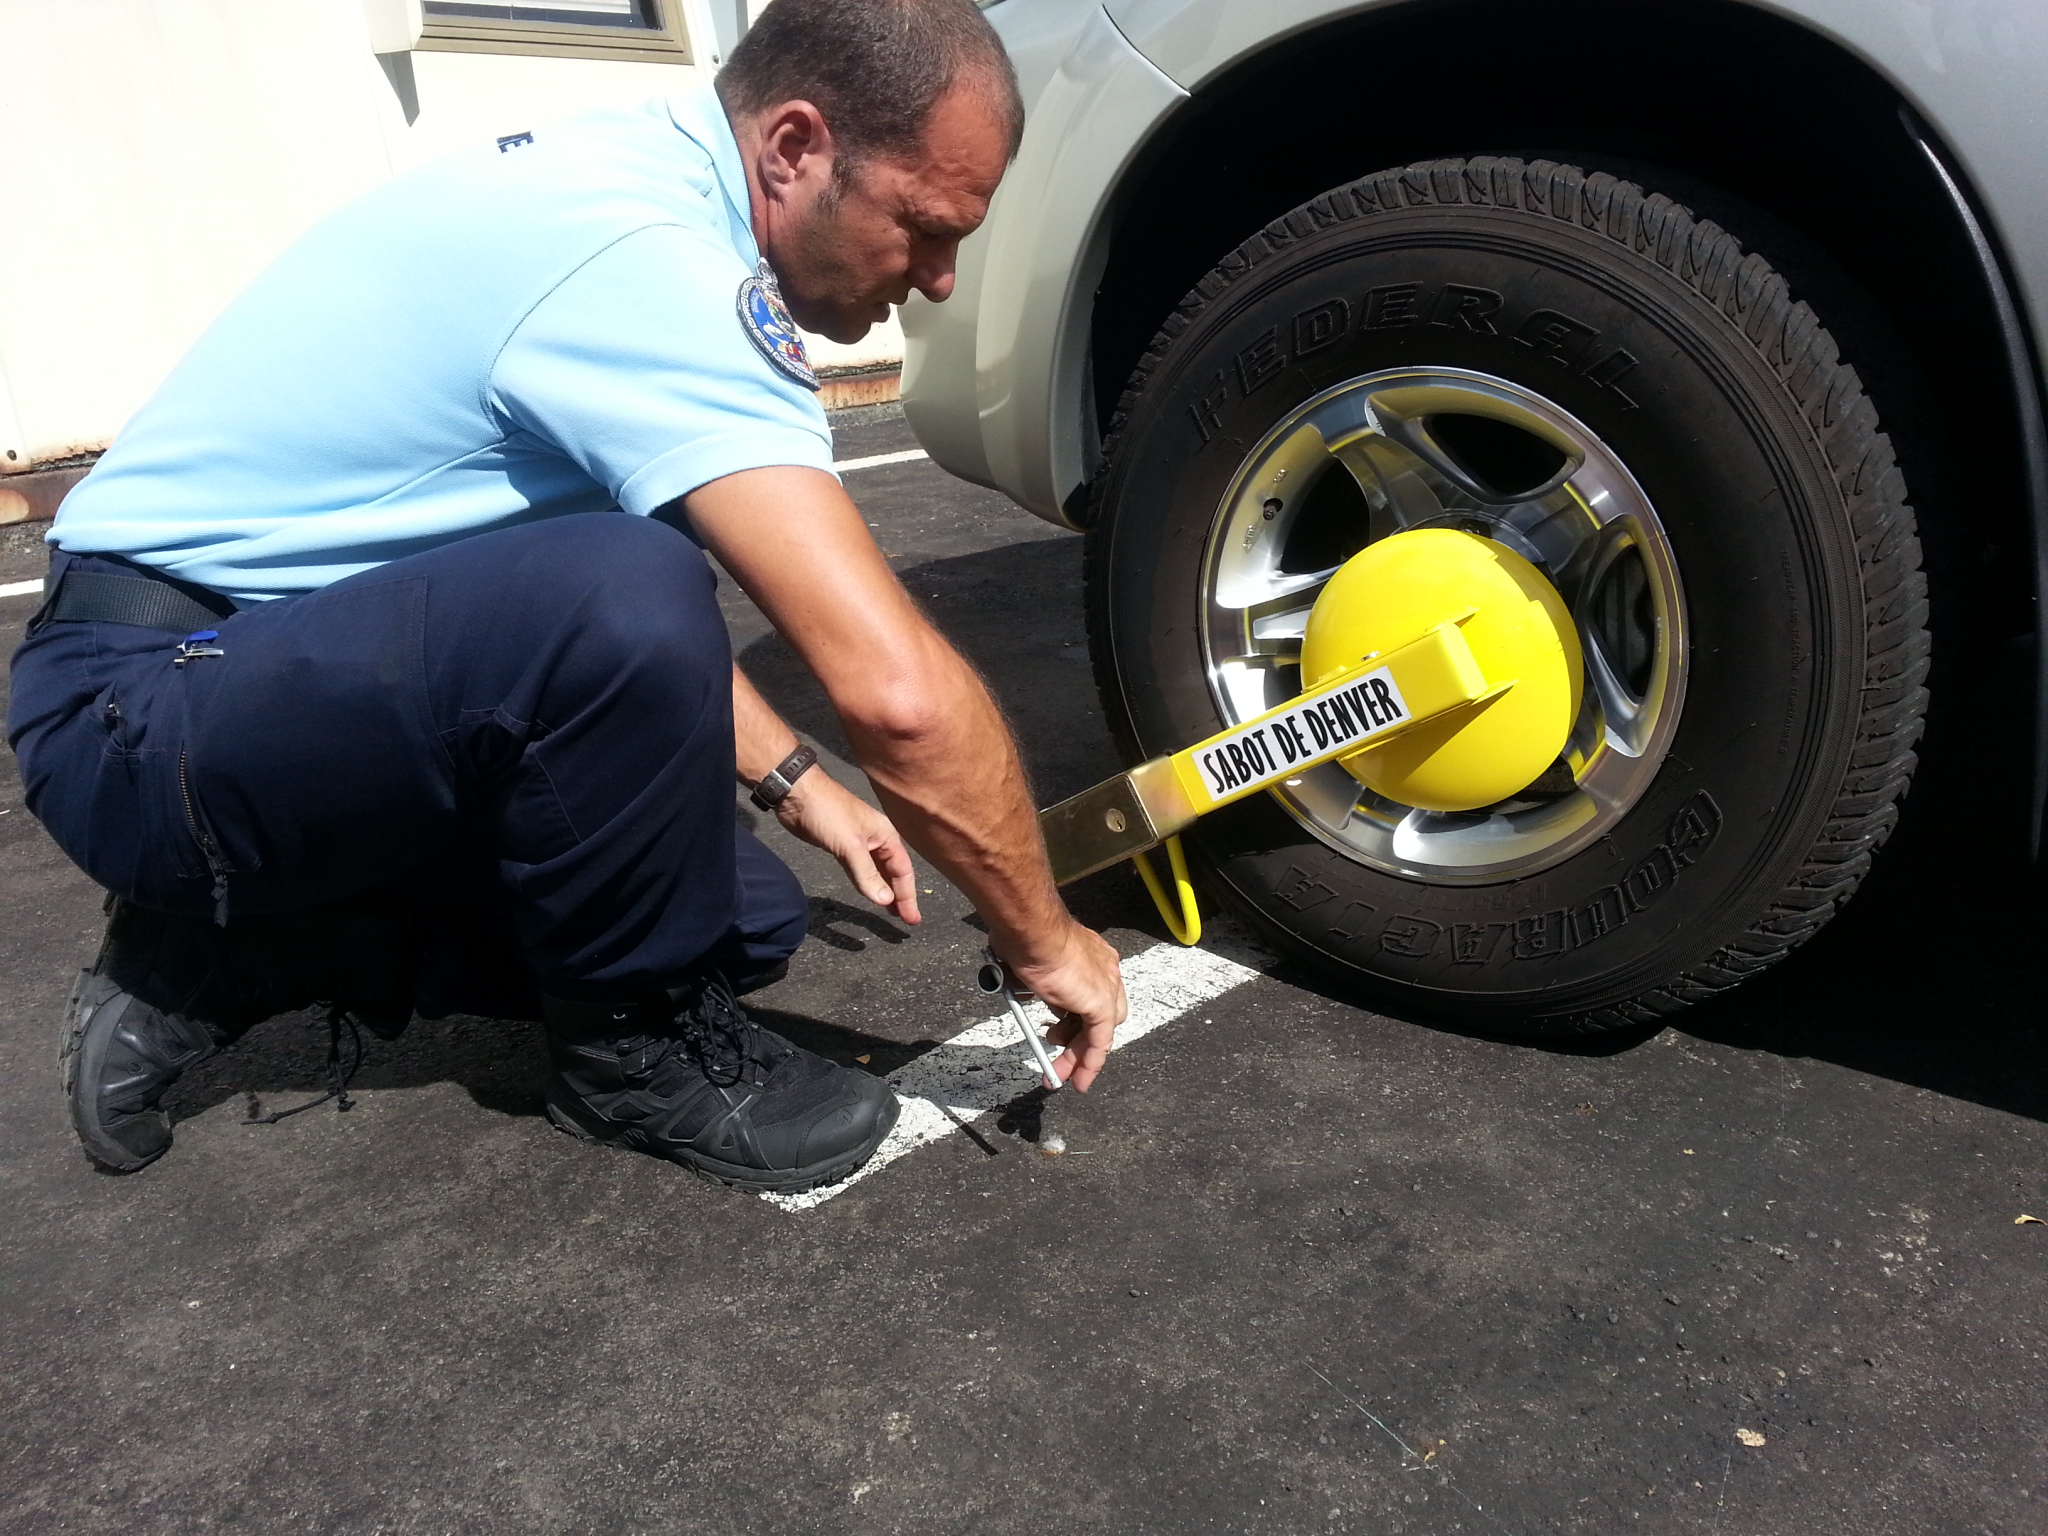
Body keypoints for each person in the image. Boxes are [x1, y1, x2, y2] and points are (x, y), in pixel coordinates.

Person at [6, 0, 1128, 1193]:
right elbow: (890, 694)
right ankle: (631, 1064)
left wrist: (796, 783)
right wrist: (1044, 936)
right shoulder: (645, 260)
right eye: (924, 226)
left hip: (271, 687)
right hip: (141, 722)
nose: (939, 280)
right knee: (630, 581)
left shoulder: (627, 189)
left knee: (734, 917)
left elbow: (570, 609)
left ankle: (263, 941)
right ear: (794, 147)